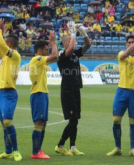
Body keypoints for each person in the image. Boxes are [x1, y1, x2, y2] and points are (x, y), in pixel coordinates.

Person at [107, 31, 134, 158]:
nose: (131, 44)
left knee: (133, 122)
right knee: (116, 120)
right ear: (126, 44)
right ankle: (117, 148)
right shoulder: (121, 55)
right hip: (122, 91)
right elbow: (125, 54)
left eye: (132, 42)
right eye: (129, 43)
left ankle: (132, 149)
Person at [55, 23, 92, 156]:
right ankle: (60, 145)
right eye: (70, 41)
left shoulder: (75, 54)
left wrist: (83, 33)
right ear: (65, 43)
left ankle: (72, 146)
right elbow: (70, 48)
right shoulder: (61, 54)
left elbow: (88, 45)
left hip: (76, 89)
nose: (73, 43)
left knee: (75, 119)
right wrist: (73, 32)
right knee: (73, 119)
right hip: (67, 90)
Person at [0, 19, 22, 161]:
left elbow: (0, 44)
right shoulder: (4, 55)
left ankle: (16, 150)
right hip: (1, 92)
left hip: (9, 93)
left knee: (8, 122)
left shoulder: (15, 55)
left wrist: (1, 29)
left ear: (9, 44)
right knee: (3, 123)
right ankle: (8, 151)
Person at [29, 31, 58, 159]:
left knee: (43, 123)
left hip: (42, 93)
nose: (48, 51)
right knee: (39, 122)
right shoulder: (37, 59)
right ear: (40, 51)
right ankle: (35, 152)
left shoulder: (39, 62)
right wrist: (53, 42)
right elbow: (55, 56)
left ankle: (38, 150)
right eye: (46, 50)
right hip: (38, 93)